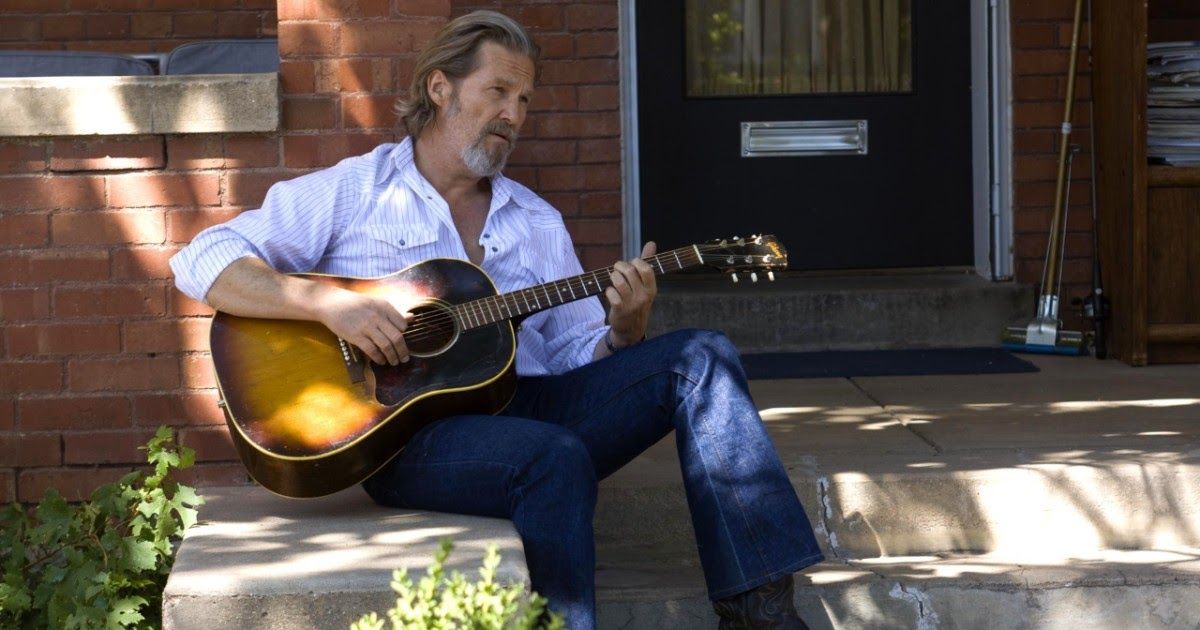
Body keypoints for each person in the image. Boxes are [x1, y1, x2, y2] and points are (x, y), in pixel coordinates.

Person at [170, 10, 823, 629]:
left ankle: (760, 612)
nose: (514, 115)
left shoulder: (536, 222)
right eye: (499, 91)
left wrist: (624, 331)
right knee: (554, 459)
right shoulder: (356, 190)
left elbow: (574, 356)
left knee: (701, 357)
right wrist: (326, 304)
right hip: (407, 434)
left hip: (528, 403)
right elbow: (203, 258)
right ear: (441, 88)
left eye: (525, 101)